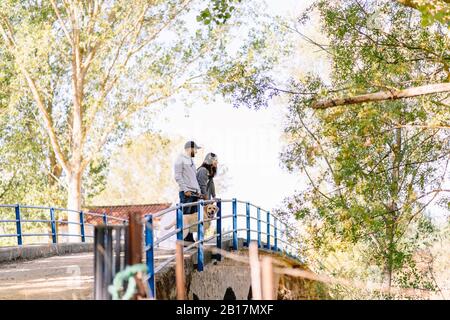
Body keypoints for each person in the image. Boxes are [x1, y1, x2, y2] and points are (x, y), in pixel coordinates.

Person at [174, 140, 202, 242]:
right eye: (195, 149)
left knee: (192, 217)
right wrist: (185, 190)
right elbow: (177, 176)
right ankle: (183, 239)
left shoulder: (190, 160)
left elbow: (193, 178)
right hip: (186, 193)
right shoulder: (180, 159)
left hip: (194, 193)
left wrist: (198, 192)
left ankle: (189, 238)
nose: (196, 152)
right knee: (185, 217)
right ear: (189, 149)